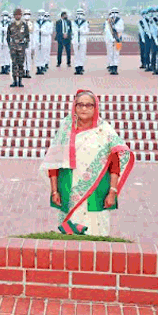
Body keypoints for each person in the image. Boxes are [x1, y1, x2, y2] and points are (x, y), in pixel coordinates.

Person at [39, 90, 135, 236]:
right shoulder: (65, 129)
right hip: (69, 190)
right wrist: (54, 191)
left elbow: (114, 165)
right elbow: (54, 163)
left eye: (89, 105)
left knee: (95, 235)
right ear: (74, 107)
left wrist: (112, 192)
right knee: (68, 237)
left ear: (95, 108)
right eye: (80, 105)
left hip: (96, 192)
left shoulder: (105, 131)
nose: (84, 109)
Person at [7, 8, 30, 87]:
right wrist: (10, 46)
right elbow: (8, 37)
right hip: (13, 47)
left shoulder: (24, 25)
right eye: (16, 15)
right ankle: (14, 81)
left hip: (21, 47)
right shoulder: (11, 25)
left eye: (19, 15)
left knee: (21, 64)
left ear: (21, 15)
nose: (18, 16)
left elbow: (27, 36)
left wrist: (25, 44)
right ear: (14, 16)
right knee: (14, 64)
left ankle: (20, 81)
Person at [104, 8, 123, 75]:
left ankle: (115, 68)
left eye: (116, 12)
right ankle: (112, 67)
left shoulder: (120, 20)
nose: (114, 14)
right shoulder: (108, 21)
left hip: (118, 40)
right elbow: (107, 31)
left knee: (117, 54)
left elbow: (121, 29)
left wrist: (116, 28)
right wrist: (111, 38)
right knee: (111, 53)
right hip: (110, 40)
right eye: (113, 12)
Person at [71, 8, 89, 75]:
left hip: (82, 40)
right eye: (78, 13)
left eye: (81, 13)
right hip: (75, 40)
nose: (79, 15)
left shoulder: (85, 22)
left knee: (82, 54)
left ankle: (81, 67)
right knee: (76, 54)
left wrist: (81, 31)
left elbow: (87, 31)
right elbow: (72, 31)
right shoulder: (73, 22)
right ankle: (77, 67)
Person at [0, 11, 12, 75]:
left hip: (7, 41)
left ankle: (7, 67)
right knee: (2, 54)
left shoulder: (10, 23)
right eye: (3, 15)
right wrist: (0, 41)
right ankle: (2, 68)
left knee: (7, 55)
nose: (4, 17)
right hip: (1, 41)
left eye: (6, 15)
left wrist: (5, 29)